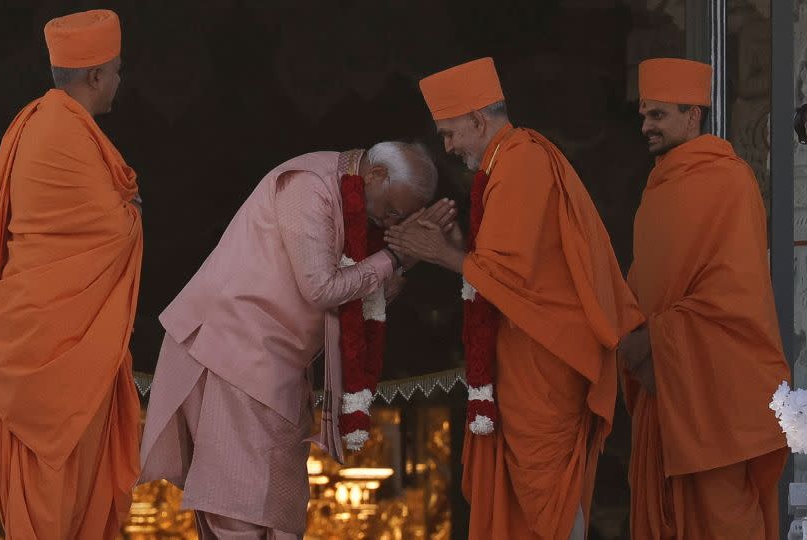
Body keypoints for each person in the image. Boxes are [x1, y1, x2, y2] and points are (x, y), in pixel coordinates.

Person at [384, 57, 643, 539]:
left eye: (449, 133)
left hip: (545, 365)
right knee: (526, 504)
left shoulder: (522, 160)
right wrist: (458, 249)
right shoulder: (507, 162)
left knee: (549, 502)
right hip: (524, 362)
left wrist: (441, 253)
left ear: (478, 120)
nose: (448, 147)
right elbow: (508, 265)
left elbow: (511, 276)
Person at [138, 143, 445, 538]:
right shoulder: (309, 186)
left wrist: (393, 266)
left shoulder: (346, 197)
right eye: (391, 212)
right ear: (377, 176)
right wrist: (395, 257)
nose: (386, 222)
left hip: (272, 365)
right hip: (235, 350)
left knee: (274, 506)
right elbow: (320, 288)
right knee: (241, 505)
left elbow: (344, 293)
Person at [0, 9, 142, 539]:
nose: (120, 80)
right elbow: (111, 231)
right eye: (117, 70)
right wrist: (131, 209)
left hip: (39, 330)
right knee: (57, 486)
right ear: (96, 77)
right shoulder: (63, 132)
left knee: (59, 489)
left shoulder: (39, 121)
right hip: (60, 346)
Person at [619, 57, 790, 539]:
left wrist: (654, 338)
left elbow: (736, 298)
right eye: (644, 115)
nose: (646, 125)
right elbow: (645, 281)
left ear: (693, 114)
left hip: (713, 395)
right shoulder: (657, 188)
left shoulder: (729, 181)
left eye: (658, 115)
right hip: (664, 392)